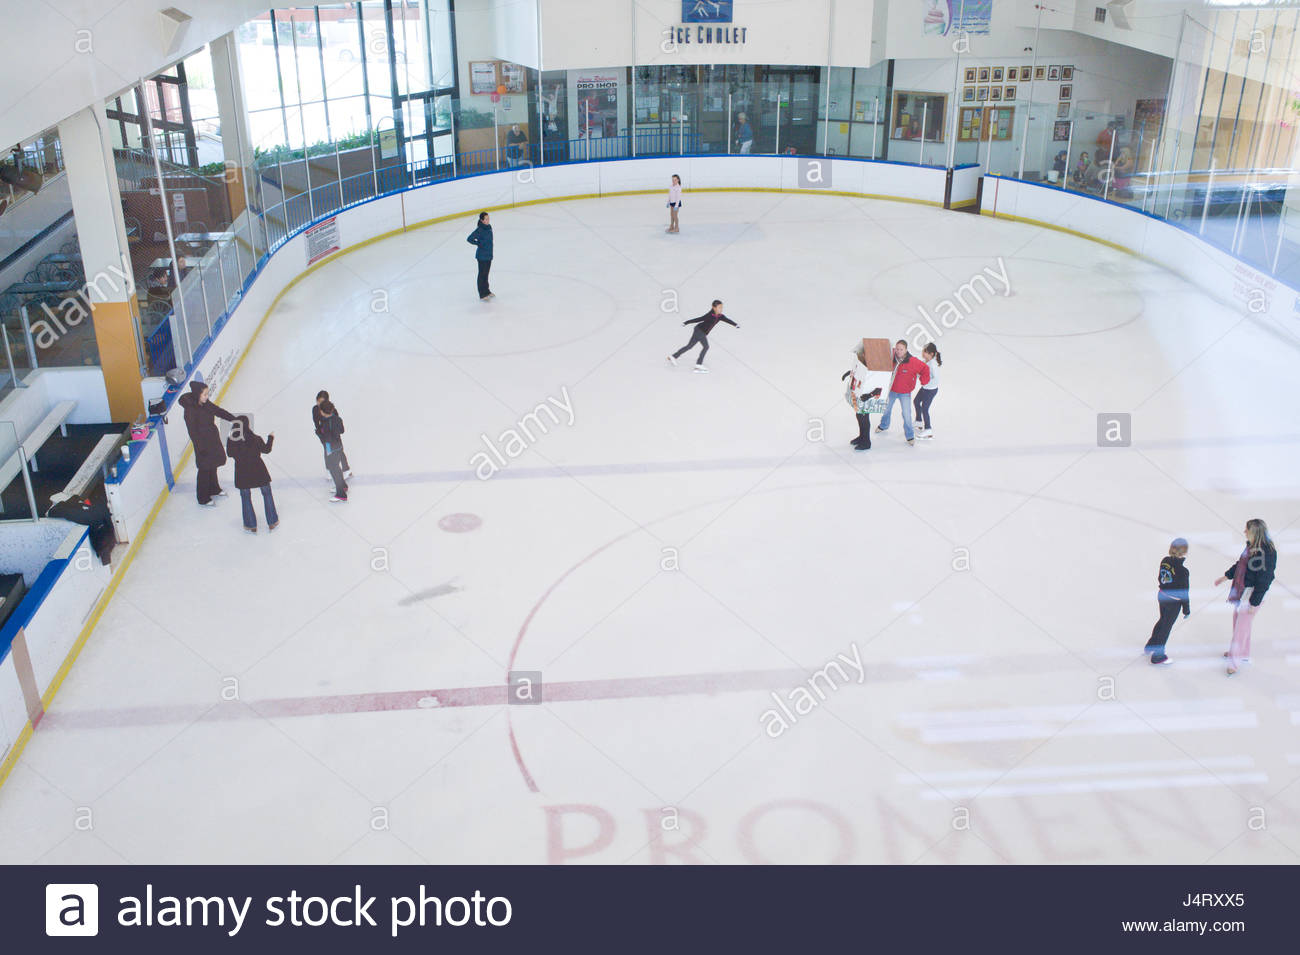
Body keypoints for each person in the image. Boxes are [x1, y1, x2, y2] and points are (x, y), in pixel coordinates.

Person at [1215, 519, 1277, 675]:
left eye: (1247, 530)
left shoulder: (1267, 553)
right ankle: (1242, 653)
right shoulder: (1251, 546)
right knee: (1240, 623)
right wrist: (1226, 576)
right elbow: (1240, 564)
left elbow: (1264, 580)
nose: (1244, 532)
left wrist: (1254, 603)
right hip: (1243, 591)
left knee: (1240, 628)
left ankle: (1234, 662)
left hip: (1252, 595)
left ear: (1254, 533)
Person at [177, 380, 236, 506]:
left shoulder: (206, 404)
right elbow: (192, 432)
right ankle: (203, 497)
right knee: (204, 469)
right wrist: (200, 447)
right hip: (202, 443)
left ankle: (214, 488)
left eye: (207, 394)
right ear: (197, 394)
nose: (207, 397)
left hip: (212, 438)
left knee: (213, 465)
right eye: (204, 394)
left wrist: (234, 419)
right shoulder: (190, 411)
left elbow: (219, 411)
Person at [225, 415, 278, 534]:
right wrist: (270, 438)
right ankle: (272, 521)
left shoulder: (232, 440)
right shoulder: (256, 438)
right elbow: (267, 449)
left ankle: (250, 524)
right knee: (267, 494)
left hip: (242, 473)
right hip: (259, 471)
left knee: (245, 497)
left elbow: (229, 454)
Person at [1145, 537, 1190, 665]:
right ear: (1185, 552)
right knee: (1166, 626)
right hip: (1173, 602)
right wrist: (1186, 609)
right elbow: (1184, 593)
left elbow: (1161, 577)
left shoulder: (1165, 561)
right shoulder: (1183, 572)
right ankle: (1158, 655)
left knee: (1162, 620)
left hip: (1162, 595)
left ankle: (1151, 645)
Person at [876, 340, 931, 445]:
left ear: (906, 350)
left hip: (905, 393)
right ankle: (883, 425)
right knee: (886, 409)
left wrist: (924, 381)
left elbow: (925, 369)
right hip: (891, 391)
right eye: (897, 349)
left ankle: (910, 436)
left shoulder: (913, 361)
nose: (899, 351)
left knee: (906, 414)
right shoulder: (891, 358)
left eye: (901, 349)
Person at [667, 300, 740, 373]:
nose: (721, 309)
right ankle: (698, 365)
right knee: (706, 347)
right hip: (700, 331)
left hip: (699, 331)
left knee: (689, 346)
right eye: (719, 307)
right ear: (714, 308)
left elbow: (727, 320)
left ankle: (673, 356)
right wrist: (686, 322)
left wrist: (735, 324)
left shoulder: (720, 316)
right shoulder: (709, 315)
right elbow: (699, 319)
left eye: (721, 307)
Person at [842, 345, 884, 452]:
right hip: (860, 396)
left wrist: (869, 395)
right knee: (859, 416)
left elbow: (879, 386)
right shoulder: (863, 364)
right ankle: (861, 437)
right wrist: (849, 373)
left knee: (864, 419)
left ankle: (866, 442)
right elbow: (859, 373)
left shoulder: (876, 367)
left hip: (867, 399)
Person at [312, 390, 351, 483]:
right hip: (325, 436)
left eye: (322, 401)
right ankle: (329, 469)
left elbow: (338, 425)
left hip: (334, 437)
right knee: (328, 452)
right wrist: (320, 432)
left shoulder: (332, 411)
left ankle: (345, 469)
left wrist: (333, 434)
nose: (319, 403)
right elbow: (316, 421)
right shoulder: (315, 409)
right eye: (318, 401)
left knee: (338, 452)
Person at [317, 400, 349, 503]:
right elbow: (342, 431)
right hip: (339, 446)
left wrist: (319, 434)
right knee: (336, 468)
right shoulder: (338, 419)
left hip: (331, 448)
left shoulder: (326, 423)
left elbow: (326, 439)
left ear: (323, 412)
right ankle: (343, 486)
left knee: (334, 470)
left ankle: (341, 494)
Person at [913, 343, 941, 438]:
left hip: (930, 390)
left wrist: (925, 382)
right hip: (925, 388)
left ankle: (928, 429)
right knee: (916, 401)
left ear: (931, 354)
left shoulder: (933, 365)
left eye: (925, 351)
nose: (923, 353)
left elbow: (935, 379)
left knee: (925, 408)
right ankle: (919, 421)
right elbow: (922, 374)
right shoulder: (926, 362)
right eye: (923, 351)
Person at [466, 212, 494, 301]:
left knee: (486, 274)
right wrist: (479, 243)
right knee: (482, 275)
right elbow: (469, 239)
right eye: (486, 219)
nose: (488, 220)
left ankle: (487, 291)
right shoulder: (480, 230)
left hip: (489, 255)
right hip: (482, 256)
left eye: (488, 218)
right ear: (482, 220)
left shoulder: (489, 227)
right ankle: (482, 294)